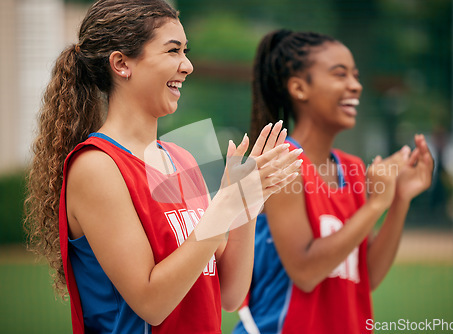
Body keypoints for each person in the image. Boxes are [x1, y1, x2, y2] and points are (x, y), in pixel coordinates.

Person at [23, 1, 302, 333]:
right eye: (173, 51)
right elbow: (152, 303)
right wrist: (225, 204)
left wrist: (245, 206)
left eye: (185, 51)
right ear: (121, 63)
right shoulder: (96, 166)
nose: (188, 65)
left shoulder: (179, 158)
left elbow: (230, 293)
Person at [233, 30, 434, 334]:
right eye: (340, 75)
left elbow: (365, 275)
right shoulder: (280, 162)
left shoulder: (352, 169)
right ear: (299, 88)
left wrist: (399, 200)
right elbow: (306, 271)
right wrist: (377, 204)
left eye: (355, 75)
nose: (356, 85)